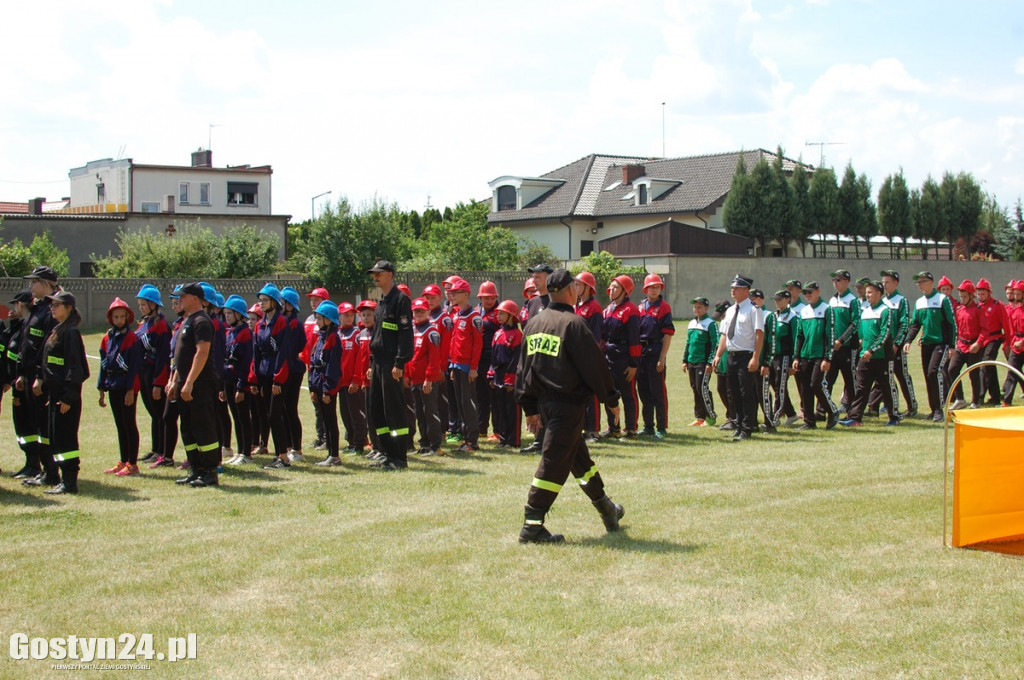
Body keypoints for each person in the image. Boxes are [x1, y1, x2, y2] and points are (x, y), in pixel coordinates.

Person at [515, 269, 624, 544]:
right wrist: (611, 400)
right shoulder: (574, 325)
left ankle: (607, 509)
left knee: (580, 462)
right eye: (576, 286)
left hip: (546, 405)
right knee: (553, 463)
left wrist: (529, 407)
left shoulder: (534, 324)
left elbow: (523, 370)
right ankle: (532, 525)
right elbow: (596, 368)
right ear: (570, 290)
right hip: (567, 407)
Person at [167, 283, 221, 487]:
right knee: (188, 428)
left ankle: (209, 472)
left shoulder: (201, 321)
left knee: (203, 427)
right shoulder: (186, 321)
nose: (180, 299)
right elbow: (182, 357)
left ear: (195, 299)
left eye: (184, 296)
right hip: (183, 384)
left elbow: (202, 353)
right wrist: (175, 380)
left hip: (200, 384)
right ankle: (195, 468)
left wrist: (189, 382)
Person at [39, 291, 89, 494]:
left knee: (66, 439)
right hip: (55, 396)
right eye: (51, 305)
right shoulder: (59, 330)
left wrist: (69, 396)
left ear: (69, 307)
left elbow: (76, 368)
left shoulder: (70, 333)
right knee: (57, 438)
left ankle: (70, 483)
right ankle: (63, 480)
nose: (52, 308)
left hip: (66, 398)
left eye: (57, 305)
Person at [366, 260, 414, 470]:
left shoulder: (400, 300)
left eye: (380, 273)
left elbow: (405, 335)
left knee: (393, 410)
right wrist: (371, 362)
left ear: (390, 275)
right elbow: (378, 334)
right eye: (374, 274)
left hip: (391, 363)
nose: (375, 277)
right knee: (377, 410)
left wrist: (400, 362)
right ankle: (386, 452)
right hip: (377, 362)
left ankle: (399, 457)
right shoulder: (381, 300)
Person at [18, 266, 60, 489]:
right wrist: (23, 373)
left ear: (46, 284)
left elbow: (48, 348)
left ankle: (51, 472)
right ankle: (42, 468)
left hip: (42, 379)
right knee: (36, 424)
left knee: (46, 428)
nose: (31, 286)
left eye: (34, 282)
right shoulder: (38, 308)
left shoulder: (51, 311)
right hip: (30, 376)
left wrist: (40, 377)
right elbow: (27, 344)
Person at [710, 275, 764, 441]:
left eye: (737, 288)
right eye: (732, 288)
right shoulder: (731, 310)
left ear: (746, 291)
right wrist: (718, 355)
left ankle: (748, 427)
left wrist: (755, 357)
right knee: (733, 392)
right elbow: (724, 335)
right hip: (731, 356)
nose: (733, 290)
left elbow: (759, 334)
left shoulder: (754, 310)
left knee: (746, 392)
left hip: (745, 355)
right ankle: (738, 423)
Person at [840, 280, 900, 427]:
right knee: (861, 387)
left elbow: (885, 334)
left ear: (879, 293)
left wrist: (872, 350)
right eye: (866, 292)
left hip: (882, 357)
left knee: (886, 386)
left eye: (870, 292)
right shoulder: (865, 311)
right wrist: (862, 343)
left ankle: (894, 417)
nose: (867, 295)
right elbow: (861, 332)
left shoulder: (885, 311)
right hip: (865, 356)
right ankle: (855, 418)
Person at [903, 271, 957, 422]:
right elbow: (915, 324)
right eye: (918, 282)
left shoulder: (942, 300)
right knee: (928, 376)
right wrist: (908, 341)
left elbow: (951, 323)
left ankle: (940, 409)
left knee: (934, 372)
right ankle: (933, 410)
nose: (919, 284)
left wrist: (952, 345)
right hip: (926, 344)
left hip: (941, 343)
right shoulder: (919, 302)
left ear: (931, 283)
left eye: (922, 281)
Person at [251, 283, 294, 469]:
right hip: (264, 374)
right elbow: (256, 353)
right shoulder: (260, 324)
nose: (261, 303)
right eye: (260, 300)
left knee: (275, 415)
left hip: (278, 374)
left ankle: (283, 456)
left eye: (265, 300)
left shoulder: (281, 322)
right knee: (269, 416)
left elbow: (283, 352)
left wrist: (278, 378)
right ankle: (279, 454)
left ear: (274, 302)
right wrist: (255, 379)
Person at [98, 297, 143, 476]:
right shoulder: (106, 339)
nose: (118, 320)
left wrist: (131, 390)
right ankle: (123, 460)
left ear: (127, 318)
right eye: (115, 317)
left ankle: (133, 463)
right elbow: (103, 365)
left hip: (126, 386)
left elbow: (134, 366)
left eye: (121, 317)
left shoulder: (132, 338)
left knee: (129, 424)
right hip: (113, 385)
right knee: (120, 425)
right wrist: (101, 389)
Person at [792, 281, 839, 431]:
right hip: (806, 354)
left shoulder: (827, 310)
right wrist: (796, 357)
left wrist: (828, 358)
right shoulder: (804, 311)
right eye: (805, 293)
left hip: (820, 355)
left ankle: (832, 411)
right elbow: (800, 336)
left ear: (818, 292)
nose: (807, 296)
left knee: (816, 384)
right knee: (805, 387)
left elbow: (829, 335)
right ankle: (809, 420)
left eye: (810, 292)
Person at [135, 284, 171, 465]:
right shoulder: (145, 322)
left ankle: (163, 451)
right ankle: (155, 449)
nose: (140, 307)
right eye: (139, 304)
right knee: (153, 413)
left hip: (154, 373)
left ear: (153, 304)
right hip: (143, 372)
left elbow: (163, 357)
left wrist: (158, 382)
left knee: (159, 413)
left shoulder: (162, 326)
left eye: (143, 304)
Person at [447, 277, 483, 453]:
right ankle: (464, 437)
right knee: (461, 404)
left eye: (456, 292)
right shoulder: (456, 315)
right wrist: (452, 365)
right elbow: (455, 341)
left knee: (468, 404)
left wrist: (474, 367)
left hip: (468, 367)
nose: (452, 295)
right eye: (451, 292)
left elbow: (477, 344)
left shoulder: (473, 316)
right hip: (457, 365)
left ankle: (472, 441)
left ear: (466, 294)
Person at [636, 273, 674, 439]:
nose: (654, 290)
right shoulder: (640, 306)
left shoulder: (664, 307)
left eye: (657, 287)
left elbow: (667, 334)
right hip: (641, 352)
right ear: (645, 289)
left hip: (655, 350)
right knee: (643, 390)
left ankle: (661, 427)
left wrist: (662, 357)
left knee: (658, 391)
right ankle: (648, 426)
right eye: (651, 287)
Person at [602, 275, 640, 437]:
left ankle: (631, 428)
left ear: (625, 291)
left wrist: (633, 364)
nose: (611, 290)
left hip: (624, 357)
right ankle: (613, 428)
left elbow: (634, 339)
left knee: (628, 394)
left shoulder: (630, 310)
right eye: (611, 287)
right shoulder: (607, 309)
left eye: (616, 287)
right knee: (609, 392)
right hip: (608, 356)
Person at [307, 301, 343, 467]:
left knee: (330, 420)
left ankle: (334, 455)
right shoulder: (320, 338)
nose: (317, 321)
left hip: (327, 387)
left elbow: (332, 366)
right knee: (325, 419)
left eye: (320, 318)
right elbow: (313, 362)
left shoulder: (333, 338)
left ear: (329, 320)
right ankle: (329, 452)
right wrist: (313, 387)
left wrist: (327, 390)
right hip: (318, 385)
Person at [406, 297, 444, 455]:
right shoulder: (412, 331)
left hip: (427, 380)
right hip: (415, 379)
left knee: (430, 412)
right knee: (419, 414)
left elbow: (434, 359)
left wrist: (428, 379)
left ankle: (435, 445)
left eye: (422, 311)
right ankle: (424, 444)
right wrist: (407, 375)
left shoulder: (431, 332)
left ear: (428, 312)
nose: (419, 314)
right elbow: (410, 356)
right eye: (416, 311)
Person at [222, 295, 255, 465]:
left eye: (230, 313)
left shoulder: (246, 334)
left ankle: (246, 454)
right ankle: (240, 450)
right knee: (236, 417)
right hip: (228, 380)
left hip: (239, 382)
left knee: (243, 417)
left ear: (239, 314)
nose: (226, 316)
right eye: (226, 313)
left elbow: (247, 362)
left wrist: (242, 387)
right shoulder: (229, 332)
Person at [824, 269, 860, 414]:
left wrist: (841, 340)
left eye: (838, 280)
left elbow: (855, 323)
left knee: (850, 379)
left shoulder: (853, 300)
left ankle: (853, 408)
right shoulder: (832, 300)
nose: (835, 283)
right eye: (834, 280)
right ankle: (823, 409)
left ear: (847, 281)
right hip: (832, 348)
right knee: (827, 379)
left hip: (847, 348)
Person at [574, 271, 603, 442]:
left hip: (588, 357)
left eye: (578, 284)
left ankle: (593, 430)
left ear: (587, 287)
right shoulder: (576, 306)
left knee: (592, 395)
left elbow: (596, 336)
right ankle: (583, 428)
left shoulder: (594, 308)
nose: (575, 287)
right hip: (576, 356)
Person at [489, 299, 523, 449]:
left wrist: (511, 380)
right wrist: (491, 374)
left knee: (512, 409)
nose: (499, 316)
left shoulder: (517, 335)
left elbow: (517, 360)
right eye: (498, 314)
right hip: (498, 376)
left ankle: (513, 440)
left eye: (502, 314)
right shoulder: (497, 334)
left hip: (510, 377)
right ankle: (503, 439)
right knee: (500, 409)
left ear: (511, 316)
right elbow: (493, 356)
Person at [302, 287, 331, 450]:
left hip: (322, 367)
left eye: (316, 300)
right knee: (315, 402)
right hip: (310, 367)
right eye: (312, 300)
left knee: (324, 401)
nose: (313, 303)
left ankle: (327, 437)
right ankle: (320, 436)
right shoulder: (308, 320)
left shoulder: (328, 320)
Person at [681, 296, 718, 427]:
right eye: (695, 307)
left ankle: (711, 416)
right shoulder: (692, 323)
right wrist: (685, 360)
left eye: (699, 307)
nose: (696, 309)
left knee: (702, 388)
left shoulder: (711, 324)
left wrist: (710, 363)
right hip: (692, 361)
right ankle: (700, 417)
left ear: (706, 308)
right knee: (695, 388)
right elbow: (688, 343)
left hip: (703, 362)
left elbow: (715, 344)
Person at [280, 286, 307, 461]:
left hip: (293, 369)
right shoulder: (281, 321)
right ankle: (288, 445)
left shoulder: (295, 324)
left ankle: (297, 449)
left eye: (283, 302)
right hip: (283, 368)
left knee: (291, 408)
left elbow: (298, 345)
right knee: (283, 409)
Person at [947, 280, 983, 410]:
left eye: (964, 297)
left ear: (971, 296)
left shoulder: (978, 309)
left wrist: (978, 343)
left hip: (973, 346)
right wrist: (956, 343)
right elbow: (956, 328)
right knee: (952, 369)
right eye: (960, 297)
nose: (962, 299)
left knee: (974, 374)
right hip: (961, 346)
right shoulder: (959, 309)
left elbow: (985, 330)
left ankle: (975, 401)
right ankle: (960, 399)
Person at [976, 278, 1011, 405]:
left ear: (989, 293)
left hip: (994, 338)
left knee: (985, 365)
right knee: (989, 367)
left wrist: (1008, 342)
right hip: (982, 340)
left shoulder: (997, 305)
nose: (980, 296)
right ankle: (995, 396)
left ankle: (979, 396)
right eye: (978, 294)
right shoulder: (978, 306)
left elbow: (1006, 325)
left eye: (983, 294)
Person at [768, 290, 799, 427]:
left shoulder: (792, 317)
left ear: (787, 300)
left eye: (779, 299)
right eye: (775, 299)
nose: (777, 302)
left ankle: (776, 415)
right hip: (773, 356)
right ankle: (791, 414)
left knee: (780, 386)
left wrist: (793, 360)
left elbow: (795, 339)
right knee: (775, 385)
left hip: (784, 356)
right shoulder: (774, 316)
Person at [476, 281, 500, 442]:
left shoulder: (500, 312)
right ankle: (481, 429)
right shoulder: (477, 311)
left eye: (492, 298)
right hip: (478, 361)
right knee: (481, 397)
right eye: (486, 298)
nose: (489, 301)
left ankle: (498, 431)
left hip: (494, 360)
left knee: (495, 398)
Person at [1001, 280, 1024, 405]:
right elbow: (1011, 330)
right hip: (1016, 346)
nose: (1015, 296)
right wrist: (1011, 343)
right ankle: (1007, 402)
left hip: (1022, 343)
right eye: (1014, 294)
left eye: (1018, 294)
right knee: (1012, 371)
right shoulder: (1014, 310)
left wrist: (1022, 342)